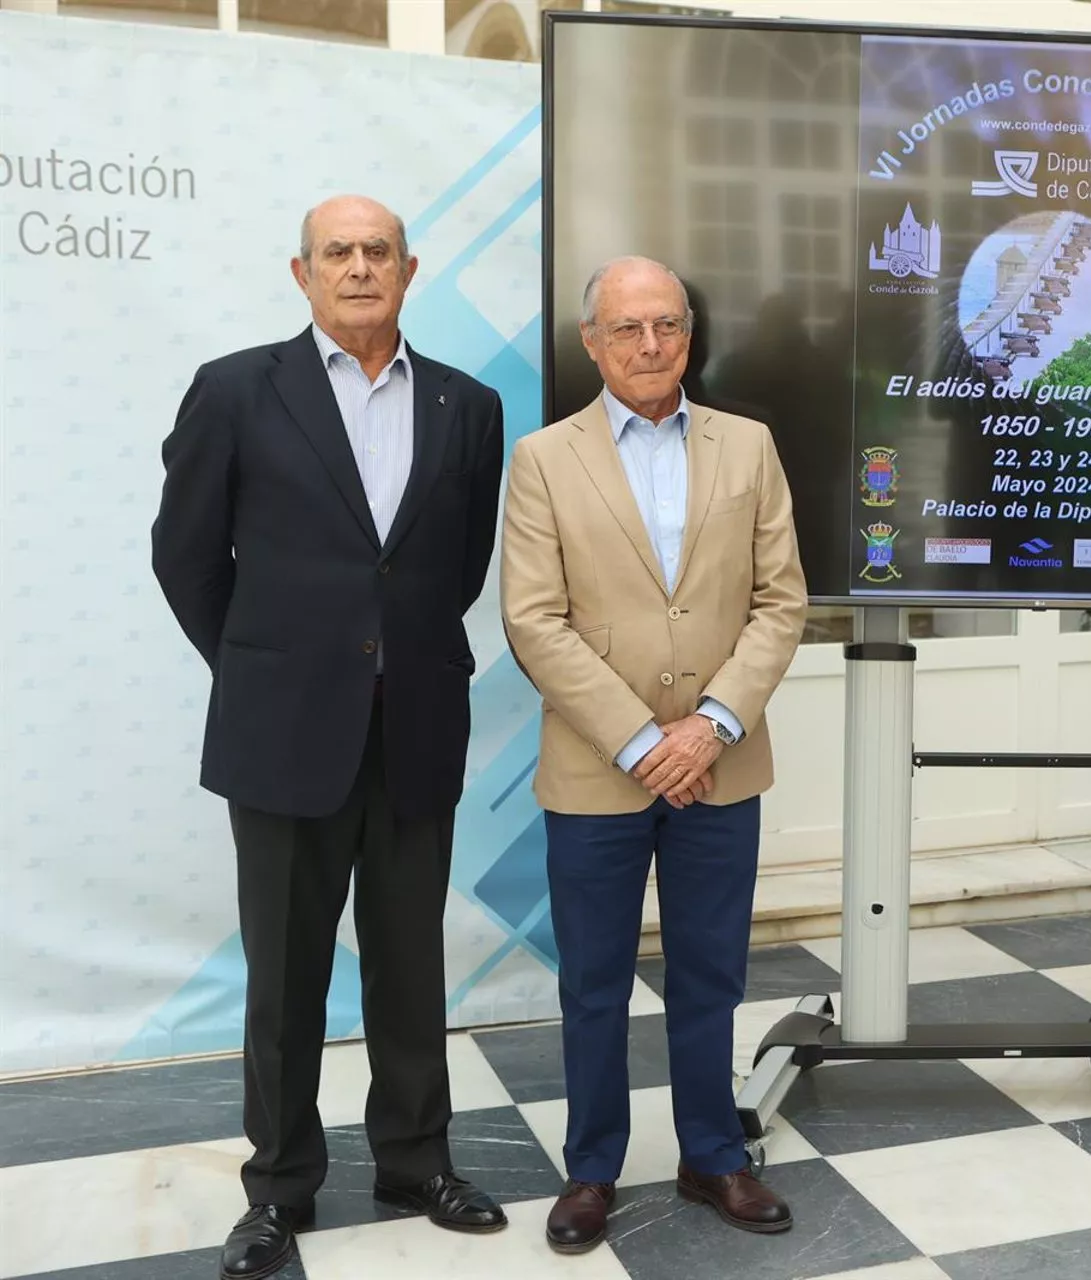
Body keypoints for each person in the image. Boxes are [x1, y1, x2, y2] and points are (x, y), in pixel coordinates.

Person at [150, 195, 508, 1280]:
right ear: (300, 272)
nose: (359, 268)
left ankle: (415, 1158)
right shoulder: (234, 390)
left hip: (416, 726)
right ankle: (279, 1187)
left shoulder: (468, 404)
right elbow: (186, 557)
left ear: (411, 269)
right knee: (287, 974)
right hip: (283, 732)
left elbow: (457, 566)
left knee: (410, 967)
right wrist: (267, 664)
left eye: (377, 252)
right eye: (336, 253)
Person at [499, 256, 807, 1255]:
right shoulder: (544, 458)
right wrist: (643, 741)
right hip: (600, 767)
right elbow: (535, 621)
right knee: (592, 979)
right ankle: (593, 1168)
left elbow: (780, 599)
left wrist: (710, 723)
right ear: (592, 341)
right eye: (625, 327)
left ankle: (712, 1150)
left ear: (689, 334)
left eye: (665, 325)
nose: (647, 345)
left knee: (710, 971)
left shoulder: (749, 445)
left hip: (721, 759)